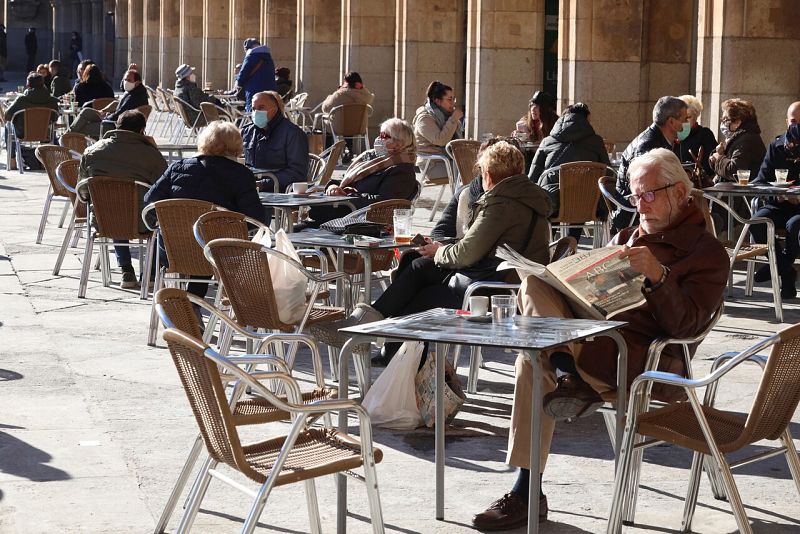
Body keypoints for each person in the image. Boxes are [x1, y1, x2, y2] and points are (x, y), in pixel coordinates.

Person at [472, 148, 728, 530]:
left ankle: (528, 489)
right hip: (592, 335)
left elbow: (687, 328)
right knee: (532, 281)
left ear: (679, 192)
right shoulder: (628, 234)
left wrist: (659, 278)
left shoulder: (707, 253)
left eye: (649, 194)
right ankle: (565, 373)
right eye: (634, 195)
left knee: (531, 359)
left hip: (639, 359)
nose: (639, 205)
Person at [333, 141, 552, 363]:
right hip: (502, 279)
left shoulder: (501, 204)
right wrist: (439, 250)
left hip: (491, 290)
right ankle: (373, 329)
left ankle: (374, 336)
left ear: (488, 174)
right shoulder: (528, 197)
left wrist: (439, 250)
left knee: (423, 295)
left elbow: (467, 253)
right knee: (419, 265)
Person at [144, 121, 269, 297]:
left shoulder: (177, 167)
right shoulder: (241, 174)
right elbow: (255, 219)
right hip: (218, 251)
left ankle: (185, 302)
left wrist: (163, 225)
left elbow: (150, 201)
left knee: (197, 240)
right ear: (235, 145)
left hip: (174, 249)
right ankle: (195, 301)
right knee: (215, 238)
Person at [78, 110, 168, 288]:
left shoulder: (91, 151)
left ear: (117, 126)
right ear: (142, 130)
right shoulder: (151, 155)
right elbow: (164, 191)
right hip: (143, 222)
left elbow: (83, 193)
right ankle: (150, 274)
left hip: (104, 220)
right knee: (160, 217)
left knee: (113, 208)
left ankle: (126, 270)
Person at [306, 118, 418, 226]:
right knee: (308, 208)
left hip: (360, 218)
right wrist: (333, 186)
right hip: (346, 208)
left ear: (398, 144)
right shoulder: (373, 160)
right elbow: (346, 180)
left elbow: (385, 203)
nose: (378, 139)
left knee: (310, 214)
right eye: (379, 134)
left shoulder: (402, 170)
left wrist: (348, 195)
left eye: (383, 136)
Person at [612, 96, 689, 230]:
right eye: (684, 119)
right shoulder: (648, 145)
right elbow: (644, 187)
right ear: (671, 121)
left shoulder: (666, 141)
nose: (687, 124)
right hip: (635, 212)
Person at [530, 102, 610, 230]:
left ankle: (555, 243)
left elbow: (533, 177)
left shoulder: (547, 141)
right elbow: (608, 173)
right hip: (589, 204)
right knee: (581, 195)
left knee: (554, 199)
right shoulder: (596, 141)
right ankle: (572, 244)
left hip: (553, 204)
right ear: (586, 120)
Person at [748, 103, 800, 299]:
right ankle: (786, 271)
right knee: (757, 223)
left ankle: (778, 268)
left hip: (798, 210)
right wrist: (775, 193)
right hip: (778, 204)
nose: (796, 127)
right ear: (787, 122)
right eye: (794, 122)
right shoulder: (776, 146)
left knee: (795, 226)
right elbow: (760, 180)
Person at [241, 90, 308, 193]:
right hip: (248, 190)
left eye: (261, 108)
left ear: (274, 110)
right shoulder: (247, 131)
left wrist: (264, 183)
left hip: (279, 192)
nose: (256, 112)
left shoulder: (293, 134)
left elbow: (297, 173)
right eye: (254, 109)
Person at [66, 69, 148, 139]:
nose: (125, 82)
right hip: (113, 118)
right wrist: (105, 112)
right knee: (86, 111)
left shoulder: (134, 96)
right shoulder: (134, 90)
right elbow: (122, 91)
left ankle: (67, 137)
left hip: (114, 125)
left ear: (137, 83)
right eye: (124, 79)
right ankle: (67, 134)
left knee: (81, 127)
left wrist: (106, 117)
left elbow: (121, 114)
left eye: (128, 80)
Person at [4, 73, 59, 169]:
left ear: (28, 85)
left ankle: (12, 161)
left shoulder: (22, 100)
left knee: (8, 127)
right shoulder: (52, 101)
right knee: (51, 128)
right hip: (44, 133)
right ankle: (44, 162)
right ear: (43, 84)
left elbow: (7, 116)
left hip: (22, 133)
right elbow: (54, 118)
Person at [413, 80, 464, 180]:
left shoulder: (447, 115)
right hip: (432, 165)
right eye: (449, 99)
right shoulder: (425, 118)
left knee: (476, 165)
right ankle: (460, 195)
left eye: (454, 99)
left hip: (447, 161)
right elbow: (440, 140)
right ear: (437, 101)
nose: (453, 103)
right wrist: (453, 120)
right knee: (471, 170)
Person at [708, 98, 766, 183]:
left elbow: (735, 170)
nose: (723, 123)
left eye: (725, 120)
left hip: (742, 194)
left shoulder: (746, 140)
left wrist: (719, 158)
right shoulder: (740, 138)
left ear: (738, 122)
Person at [673, 95, 717, 177]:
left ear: (696, 116)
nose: (684, 121)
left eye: (688, 117)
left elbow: (710, 166)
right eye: (681, 117)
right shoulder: (671, 134)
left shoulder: (704, 134)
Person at [236, 38, 277, 112]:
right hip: (270, 90)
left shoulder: (251, 56)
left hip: (254, 89)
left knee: (254, 111)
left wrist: (238, 83)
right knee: (268, 110)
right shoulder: (268, 57)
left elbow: (243, 73)